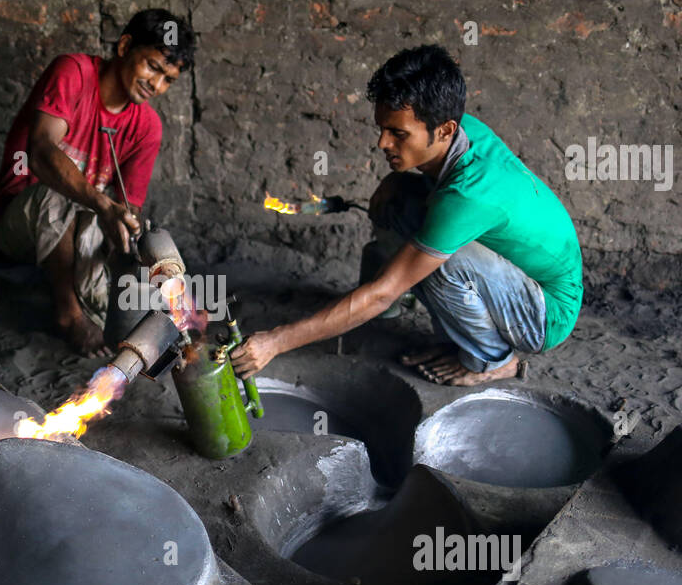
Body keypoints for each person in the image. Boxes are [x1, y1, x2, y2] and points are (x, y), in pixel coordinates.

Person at [232, 44, 582, 386]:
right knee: (397, 198)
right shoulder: (462, 130)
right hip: (515, 275)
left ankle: (493, 360)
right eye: (382, 129)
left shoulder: (467, 195)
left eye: (398, 134)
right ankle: (430, 313)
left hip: (545, 314)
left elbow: (382, 291)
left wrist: (276, 341)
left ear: (444, 130)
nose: (383, 143)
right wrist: (390, 186)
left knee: (441, 258)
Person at [0, 9, 195, 355]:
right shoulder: (74, 72)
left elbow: (128, 205)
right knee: (58, 196)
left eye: (168, 79)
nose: (156, 85)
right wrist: (101, 204)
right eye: (153, 67)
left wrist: (123, 231)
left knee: (118, 274)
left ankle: (90, 304)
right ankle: (68, 313)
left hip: (78, 223)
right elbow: (40, 153)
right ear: (125, 46)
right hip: (18, 220)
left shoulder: (147, 126)